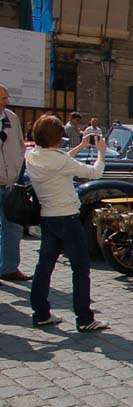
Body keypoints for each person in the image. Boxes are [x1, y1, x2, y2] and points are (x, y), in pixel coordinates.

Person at [26, 115, 109, 331]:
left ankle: (41, 313)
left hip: (48, 216)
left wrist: (80, 146)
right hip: (67, 217)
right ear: (56, 137)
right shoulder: (59, 161)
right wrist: (101, 153)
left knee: (44, 267)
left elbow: (60, 161)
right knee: (80, 269)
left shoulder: (32, 155)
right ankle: (84, 318)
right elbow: (94, 172)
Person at [0, 84, 31, 283]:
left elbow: (20, 146)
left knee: (13, 226)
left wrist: (17, 170)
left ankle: (9, 268)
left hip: (10, 182)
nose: (6, 102)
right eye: (2, 99)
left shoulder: (11, 118)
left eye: (6, 98)